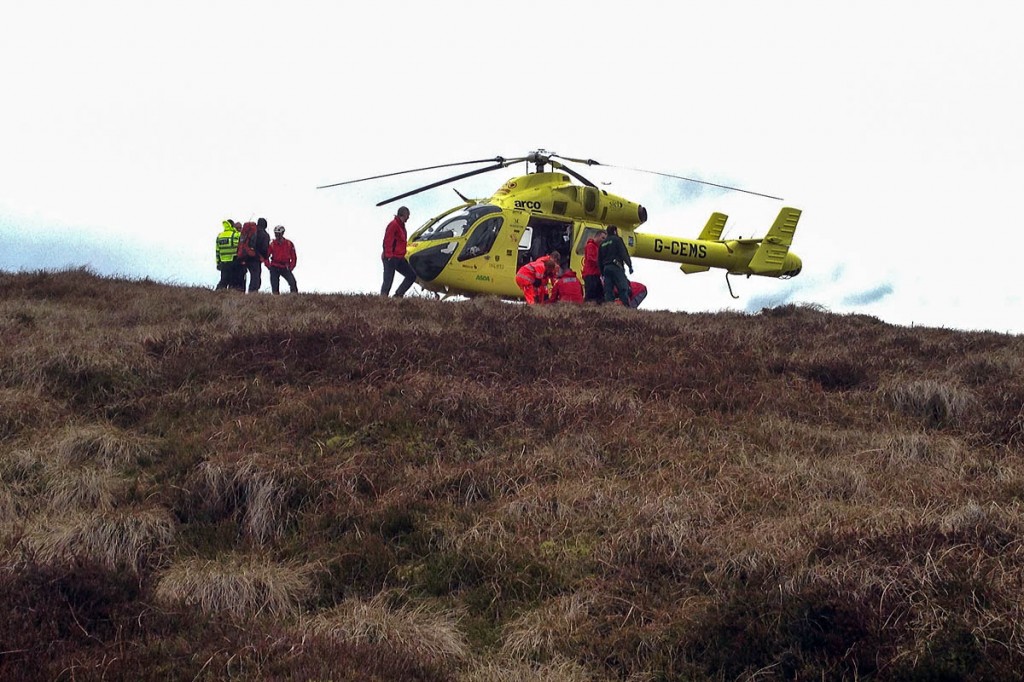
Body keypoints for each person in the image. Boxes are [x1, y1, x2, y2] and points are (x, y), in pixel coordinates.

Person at [381, 206, 417, 297]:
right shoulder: (394, 225)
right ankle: (382, 299)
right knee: (388, 280)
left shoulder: (401, 227)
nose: (408, 218)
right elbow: (387, 241)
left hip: (399, 257)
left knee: (412, 275)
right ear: (404, 214)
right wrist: (389, 256)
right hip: (391, 257)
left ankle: (398, 295)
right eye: (408, 215)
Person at [599, 225, 633, 306]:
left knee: (608, 290)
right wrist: (630, 266)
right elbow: (623, 253)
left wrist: (602, 272)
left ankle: (609, 308)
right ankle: (625, 307)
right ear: (615, 231)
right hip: (616, 267)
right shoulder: (617, 240)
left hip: (606, 269)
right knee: (623, 288)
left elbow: (599, 260)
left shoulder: (602, 244)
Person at [268, 225, 298, 294]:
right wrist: (269, 265)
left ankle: (294, 297)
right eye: (276, 234)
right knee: (274, 286)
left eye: (278, 234)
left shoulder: (289, 244)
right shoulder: (272, 244)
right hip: (274, 266)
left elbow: (294, 257)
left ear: (282, 233)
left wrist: (291, 267)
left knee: (292, 283)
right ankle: (276, 300)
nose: (277, 236)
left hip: (285, 267)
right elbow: (266, 256)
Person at [215, 219, 244, 291]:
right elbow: (242, 246)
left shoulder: (220, 236)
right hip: (234, 261)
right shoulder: (235, 235)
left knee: (223, 281)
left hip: (223, 262)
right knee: (233, 282)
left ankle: (217, 295)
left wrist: (218, 262)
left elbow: (217, 251)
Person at [582, 230, 606, 303]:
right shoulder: (591, 246)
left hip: (595, 274)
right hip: (591, 274)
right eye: (603, 238)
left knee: (599, 296)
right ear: (597, 236)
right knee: (591, 296)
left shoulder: (596, 247)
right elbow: (591, 259)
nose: (603, 240)